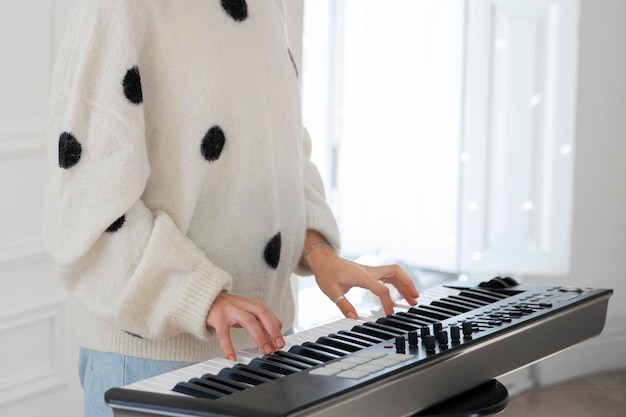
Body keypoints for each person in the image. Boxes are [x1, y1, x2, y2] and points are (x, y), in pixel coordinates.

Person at [42, 1, 419, 416]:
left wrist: (317, 250)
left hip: (269, 346)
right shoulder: (119, 9)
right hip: (156, 362)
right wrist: (199, 295)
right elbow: (88, 203)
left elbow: (284, 144)